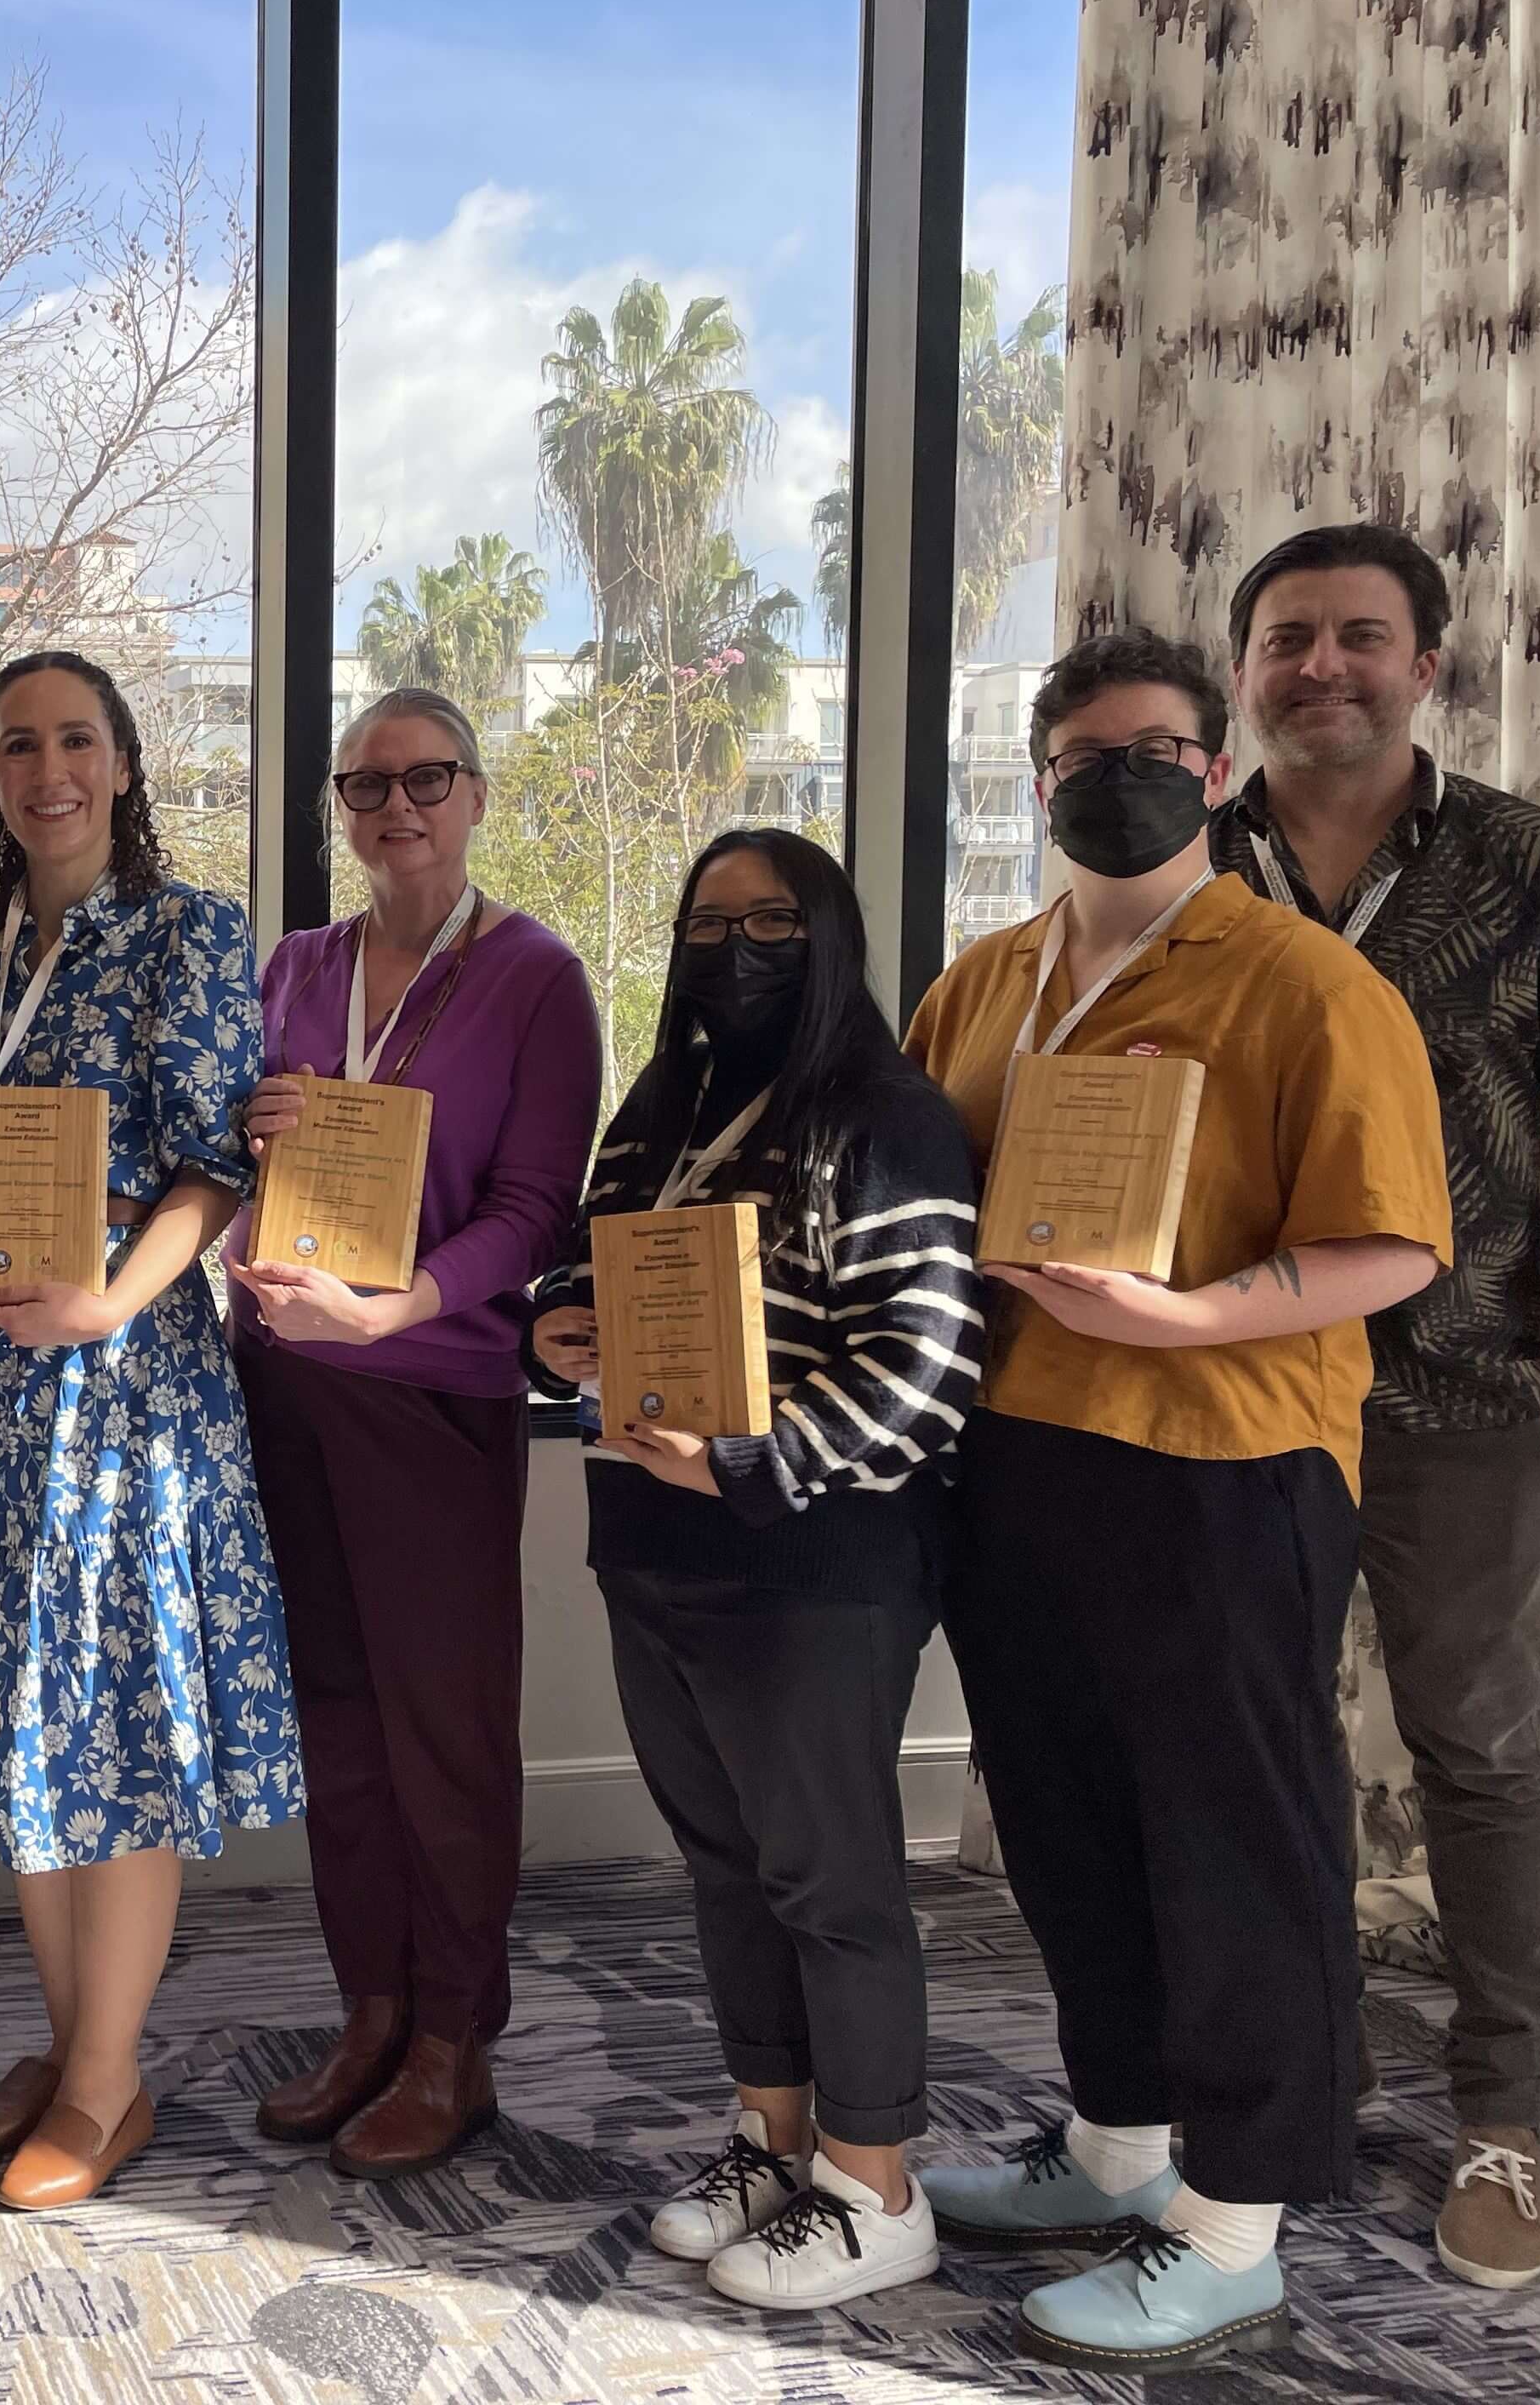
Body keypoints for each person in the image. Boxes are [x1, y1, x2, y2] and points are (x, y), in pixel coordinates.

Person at [904, 629, 1453, 2374]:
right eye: (1077, 752)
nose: (1111, 774)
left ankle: (1232, 2223)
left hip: (1226, 1464)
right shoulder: (983, 982)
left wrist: (1193, 1312)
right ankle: (1116, 2147)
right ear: (1039, 776)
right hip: (1018, 1462)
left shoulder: (1303, 984)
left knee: (1235, 1845)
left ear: (1217, 772)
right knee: (1068, 1826)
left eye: (1153, 746)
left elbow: (1393, 1243)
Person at [1212, 524, 1540, 2290]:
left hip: (1475, 1394)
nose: (1320, 665)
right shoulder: (1184, 862)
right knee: (1255, 1752)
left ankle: (1503, 2122)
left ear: (1428, 662)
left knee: (1479, 1755)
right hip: (1241, 1394)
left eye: (1358, 637)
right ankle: (1280, 2081)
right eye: (1286, 639)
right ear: (1245, 667)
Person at [0, 648, 304, 2214]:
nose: (47, 769)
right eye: (17, 745)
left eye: (76, 741)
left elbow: (214, 1173)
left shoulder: (190, 933)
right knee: (25, 1728)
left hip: (120, 1385)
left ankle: (109, 2086)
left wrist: (111, 1304)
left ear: (122, 763)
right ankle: (72, 2048)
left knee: (110, 1733)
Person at [522, 830, 984, 2311]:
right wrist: (557, 1328)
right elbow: (581, 1268)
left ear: (829, 938)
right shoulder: (663, 1104)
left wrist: (750, 1456)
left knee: (831, 1877)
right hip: (653, 1548)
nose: (738, 949)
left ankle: (878, 2182)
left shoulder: (888, 1115)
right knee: (725, 1868)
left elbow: (929, 1364)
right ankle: (771, 2139)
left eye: (773, 921)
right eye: (710, 923)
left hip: (814, 1557)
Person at [225, 686, 597, 2179]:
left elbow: (532, 1211)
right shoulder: (300, 964)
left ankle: (458, 2041)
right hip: (286, 1380)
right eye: (367, 784)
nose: (397, 807)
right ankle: (371, 2009)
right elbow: (232, 1145)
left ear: (477, 795)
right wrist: (252, 1129)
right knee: (338, 1720)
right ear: (341, 808)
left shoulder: (537, 978)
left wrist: (402, 1309)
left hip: (432, 1386)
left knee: (444, 1733)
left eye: (427, 778)